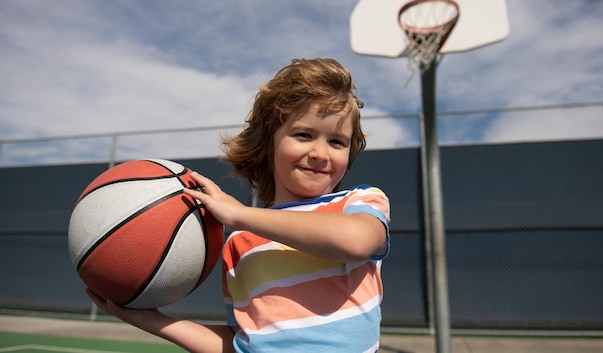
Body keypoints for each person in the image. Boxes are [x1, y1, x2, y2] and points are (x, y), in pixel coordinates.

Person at [87, 58, 391, 353]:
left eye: (337, 142)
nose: (320, 153)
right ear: (268, 145)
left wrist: (242, 215)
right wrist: (152, 321)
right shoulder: (239, 244)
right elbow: (240, 341)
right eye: (304, 135)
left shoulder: (358, 203)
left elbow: (355, 242)